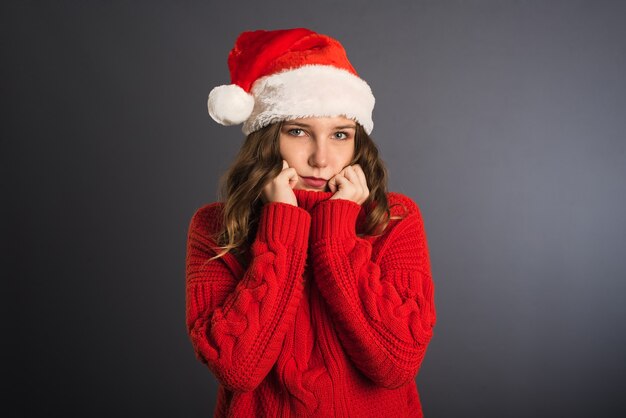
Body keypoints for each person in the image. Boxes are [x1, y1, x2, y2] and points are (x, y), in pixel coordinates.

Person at [185, 28, 436, 417]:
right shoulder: (215, 226)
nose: (321, 158)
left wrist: (335, 235)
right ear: (268, 137)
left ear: (357, 141)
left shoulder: (394, 220)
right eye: (298, 131)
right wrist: (281, 225)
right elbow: (237, 368)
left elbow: (396, 363)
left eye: (340, 134)